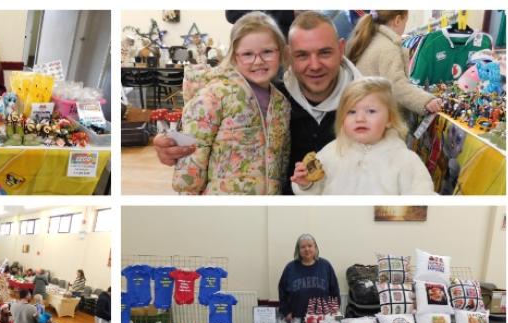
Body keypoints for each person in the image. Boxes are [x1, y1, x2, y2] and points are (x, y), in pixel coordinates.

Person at [156, 11, 363, 195]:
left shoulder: (368, 103)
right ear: (289, 55)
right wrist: (168, 143)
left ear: (341, 48)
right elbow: (194, 142)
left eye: (325, 52)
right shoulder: (279, 97)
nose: (315, 65)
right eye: (302, 55)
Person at [171, 12, 290, 195]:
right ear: (235, 57)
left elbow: (281, 159)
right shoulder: (214, 96)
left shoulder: (282, 103)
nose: (258, 61)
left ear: (281, 52)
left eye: (267, 52)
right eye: (248, 54)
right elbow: (193, 153)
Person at [291, 77, 435, 194]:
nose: (360, 118)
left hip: (383, 229)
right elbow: (316, 195)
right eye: (351, 112)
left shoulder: (405, 161)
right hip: (337, 227)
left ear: (389, 119)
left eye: (371, 111)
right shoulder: (332, 152)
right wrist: (306, 184)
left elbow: (422, 200)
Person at [346, 11, 442, 116]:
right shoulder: (388, 48)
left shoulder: (369, 40)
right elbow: (397, 86)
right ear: (397, 21)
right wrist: (426, 100)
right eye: (405, 22)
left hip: (362, 113)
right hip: (377, 119)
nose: (404, 27)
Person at [278, 234, 340, 322]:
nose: (307, 249)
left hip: (322, 322)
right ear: (298, 250)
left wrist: (333, 311)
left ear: (315, 247)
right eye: (303, 247)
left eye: (310, 246)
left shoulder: (326, 266)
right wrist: (286, 312)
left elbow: (335, 292)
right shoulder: (290, 268)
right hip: (297, 321)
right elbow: (282, 293)